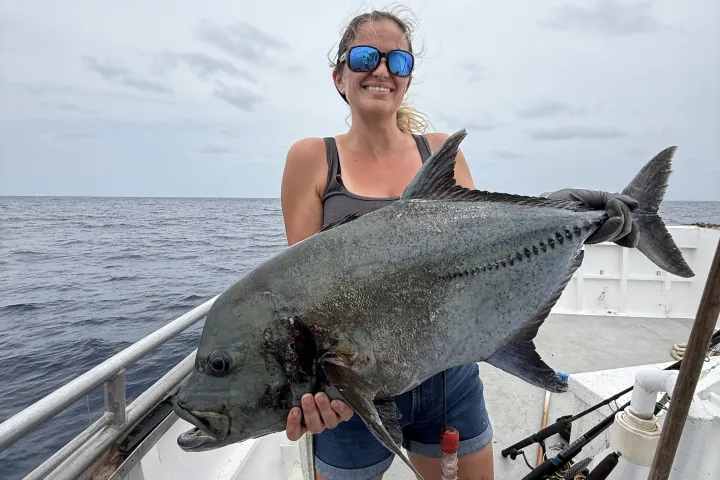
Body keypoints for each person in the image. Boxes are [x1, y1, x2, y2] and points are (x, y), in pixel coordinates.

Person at [280, 8, 639, 480]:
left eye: (399, 62)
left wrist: (565, 215)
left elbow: (487, 248)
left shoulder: (439, 150)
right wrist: (314, 391)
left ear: (408, 79)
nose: (382, 70)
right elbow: (305, 301)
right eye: (366, 56)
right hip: (353, 394)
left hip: (451, 379)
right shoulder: (312, 158)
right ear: (339, 75)